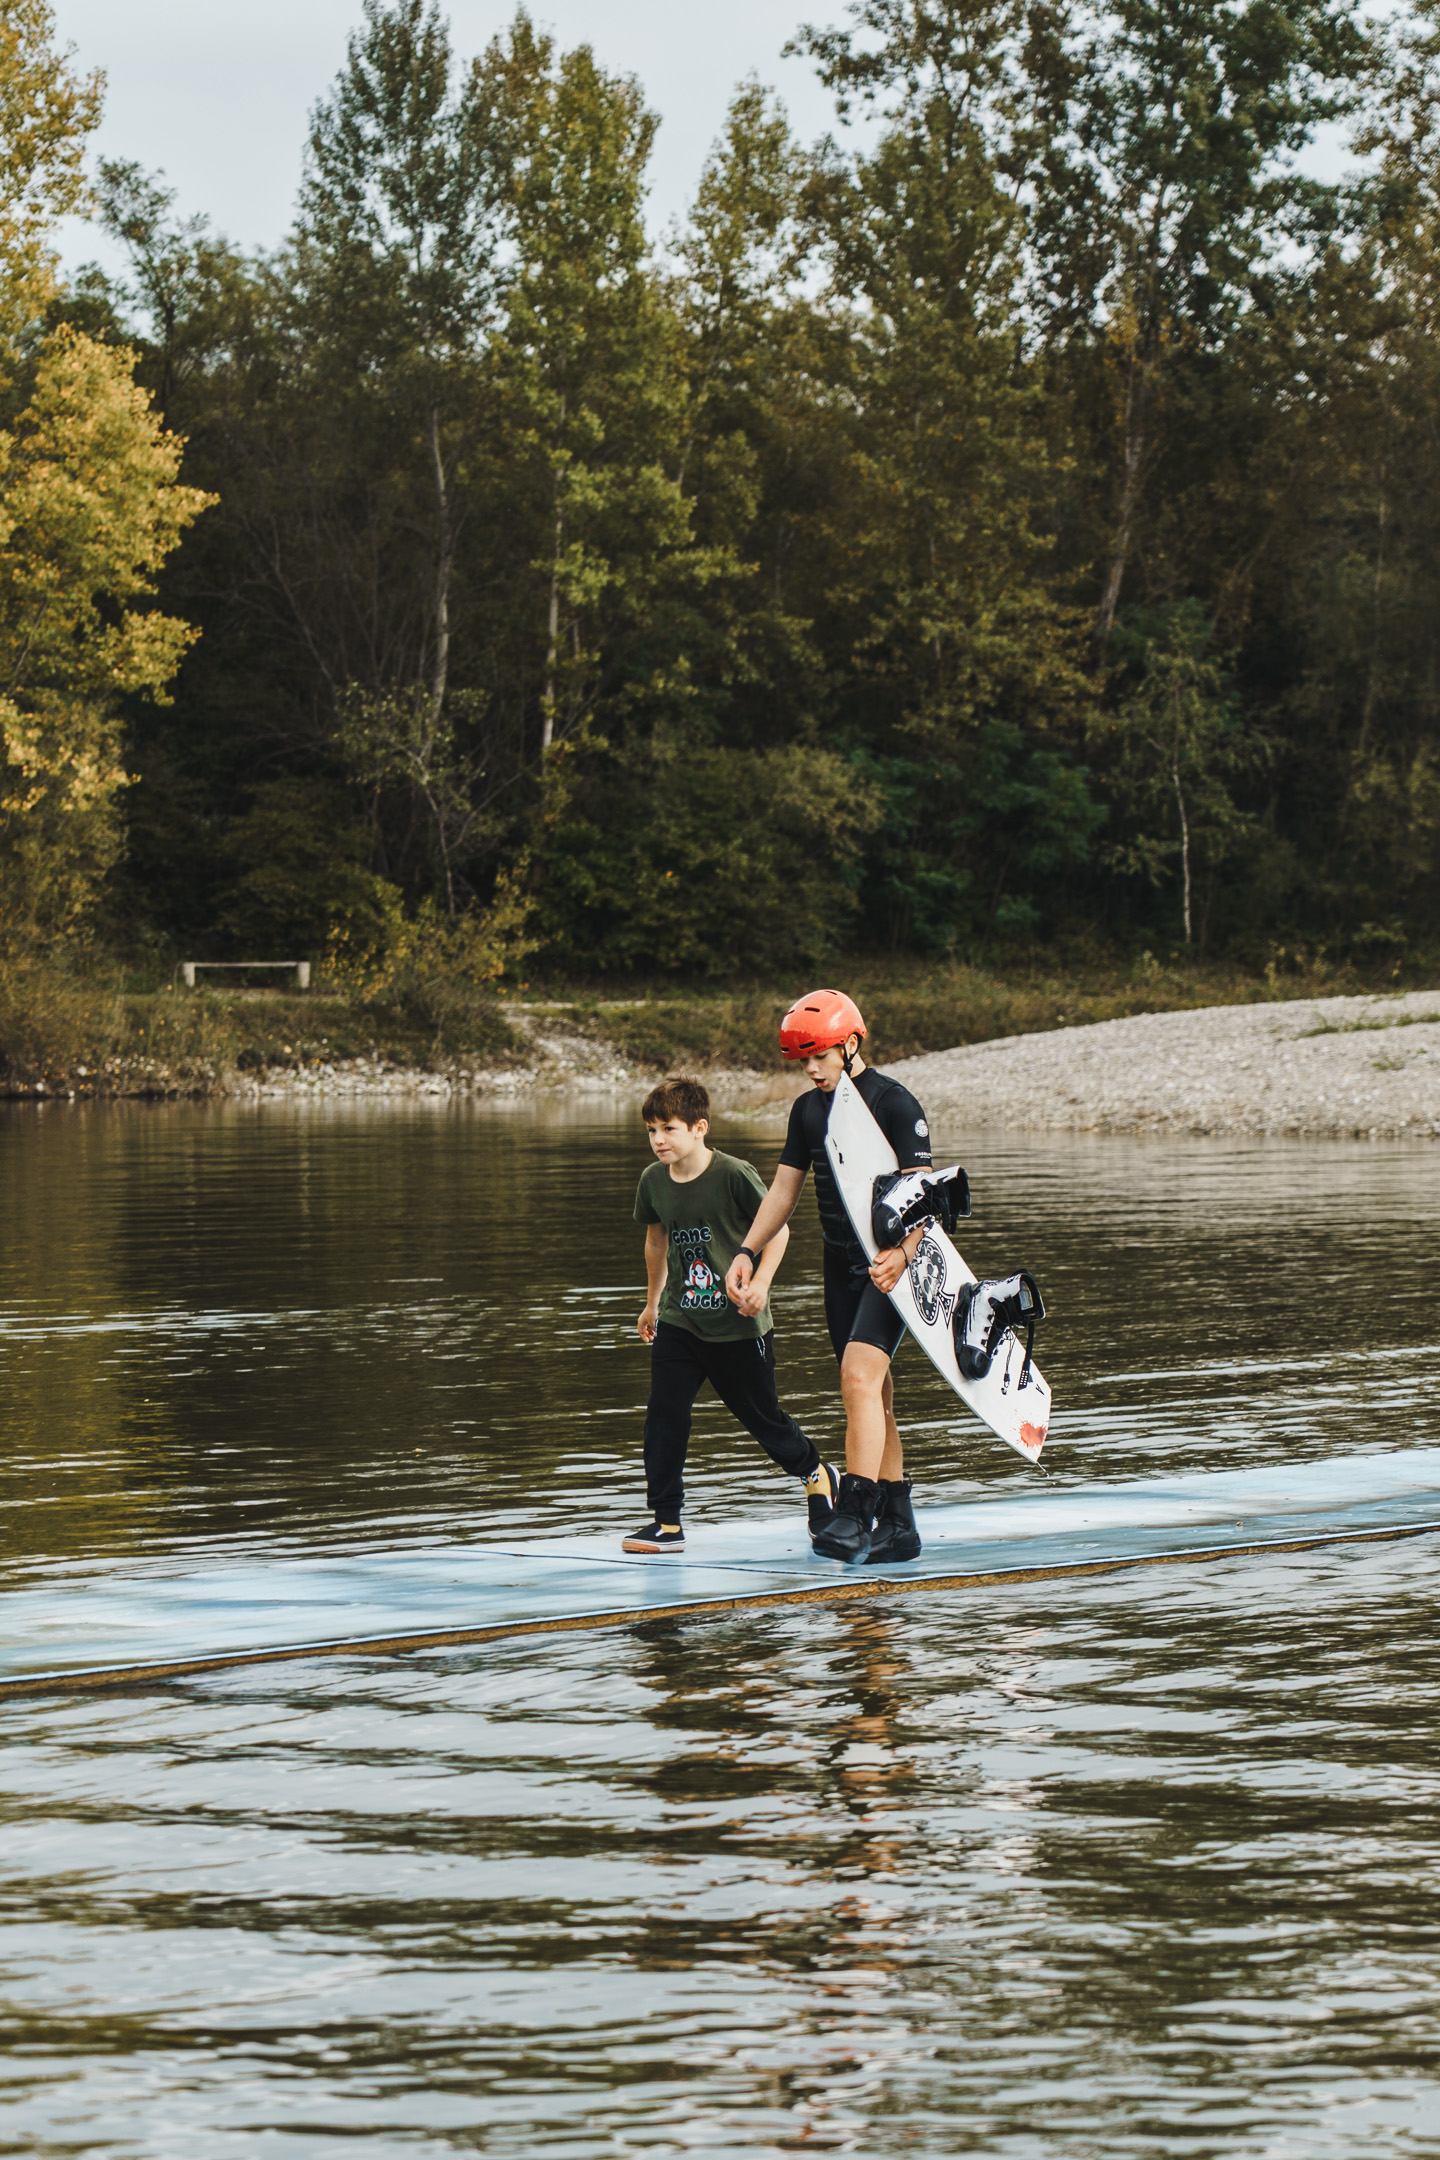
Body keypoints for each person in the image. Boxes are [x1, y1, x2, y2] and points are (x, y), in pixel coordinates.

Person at [724, 990, 933, 1565]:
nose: (812, 1069)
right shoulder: (808, 1111)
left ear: (851, 1043)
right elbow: (784, 1191)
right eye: (803, 1060)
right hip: (840, 1267)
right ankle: (899, 1523)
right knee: (874, 1393)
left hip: (891, 1269)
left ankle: (855, 1512)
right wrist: (747, 1249)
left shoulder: (894, 1103)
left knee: (857, 1379)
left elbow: (926, 1196)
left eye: (820, 1056)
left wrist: (905, 1253)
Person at [624, 1073, 839, 1553]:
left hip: (739, 1326)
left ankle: (816, 1473)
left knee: (764, 1420)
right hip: (681, 1320)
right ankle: (667, 1522)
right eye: (652, 1130)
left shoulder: (733, 1174)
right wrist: (652, 1303)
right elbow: (656, 1241)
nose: (658, 1139)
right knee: (664, 1418)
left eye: (668, 1129)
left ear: (699, 1128)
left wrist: (761, 1284)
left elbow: (778, 1230)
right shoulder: (652, 1181)